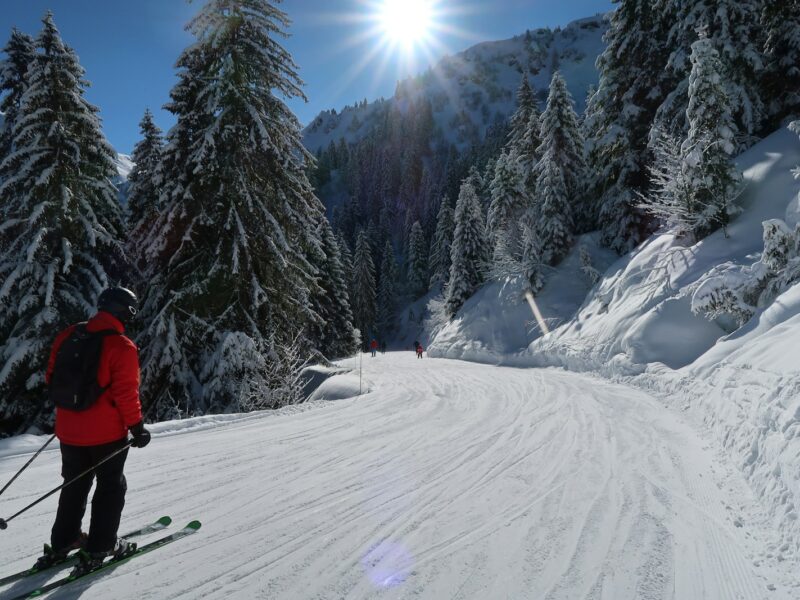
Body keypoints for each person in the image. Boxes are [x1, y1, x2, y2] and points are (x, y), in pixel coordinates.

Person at [35, 287, 151, 576]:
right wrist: (137, 427)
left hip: (68, 429)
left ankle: (64, 540)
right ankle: (102, 545)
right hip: (105, 435)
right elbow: (126, 393)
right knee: (111, 486)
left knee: (74, 483)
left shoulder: (69, 334)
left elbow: (51, 376)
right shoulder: (121, 346)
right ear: (125, 311)